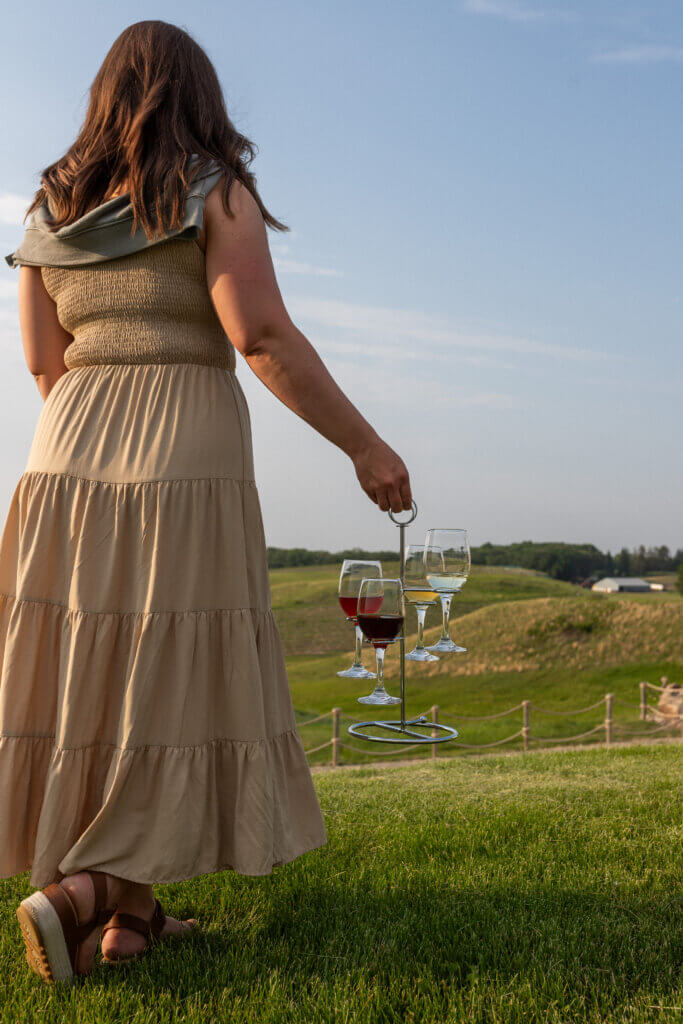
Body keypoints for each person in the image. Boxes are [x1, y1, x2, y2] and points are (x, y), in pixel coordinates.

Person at [0, 19, 412, 984]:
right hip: (182, 445)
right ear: (200, 96)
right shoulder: (210, 189)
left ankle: (130, 928)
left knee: (100, 677)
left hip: (67, 450)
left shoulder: (47, 210)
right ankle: (84, 894)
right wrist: (365, 444)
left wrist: (96, 434)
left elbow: (40, 360)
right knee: (171, 674)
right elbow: (259, 332)